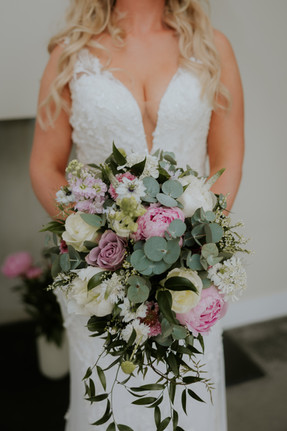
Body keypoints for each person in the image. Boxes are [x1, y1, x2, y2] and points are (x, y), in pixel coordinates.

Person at [30, 0, 244, 430]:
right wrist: (95, 244)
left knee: (190, 401)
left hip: (192, 275)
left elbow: (227, 158)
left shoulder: (211, 48)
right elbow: (43, 165)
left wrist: (193, 244)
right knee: (108, 399)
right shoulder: (71, 53)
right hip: (98, 276)